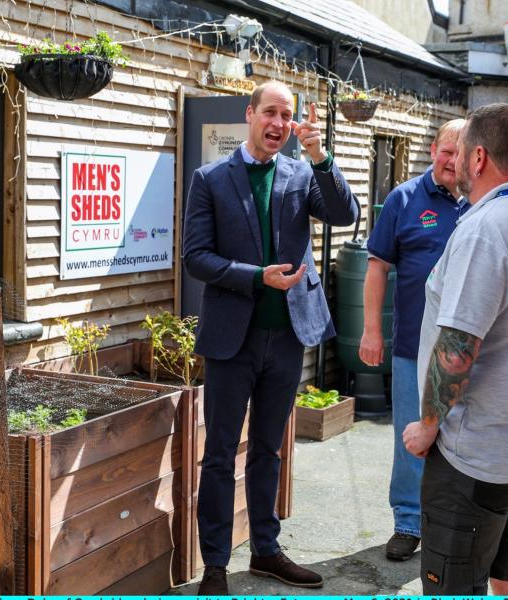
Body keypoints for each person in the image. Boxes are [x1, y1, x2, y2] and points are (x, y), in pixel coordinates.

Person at [183, 81, 359, 595]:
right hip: (231, 340)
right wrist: (256, 276)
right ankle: (215, 563)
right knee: (218, 453)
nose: (279, 123)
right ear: (250, 114)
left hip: (286, 338)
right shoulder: (211, 178)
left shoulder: (303, 172)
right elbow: (196, 257)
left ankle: (265, 550)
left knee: (268, 450)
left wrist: (320, 154)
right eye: (270, 113)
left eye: (287, 115)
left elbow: (345, 214)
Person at [401, 103, 508, 595]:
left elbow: (457, 348)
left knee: (452, 585)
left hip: (474, 455)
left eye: (461, 154)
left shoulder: (485, 230)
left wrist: (427, 427)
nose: (453, 164)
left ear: (479, 158)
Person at [358, 118, 467, 561]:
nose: (451, 160)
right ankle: (407, 521)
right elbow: (377, 267)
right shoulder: (403, 199)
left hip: (468, 349)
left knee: (461, 437)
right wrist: (370, 330)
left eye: (461, 153)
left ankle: (453, 523)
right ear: (431, 150)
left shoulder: (481, 203)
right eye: (446, 150)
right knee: (411, 434)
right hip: (412, 347)